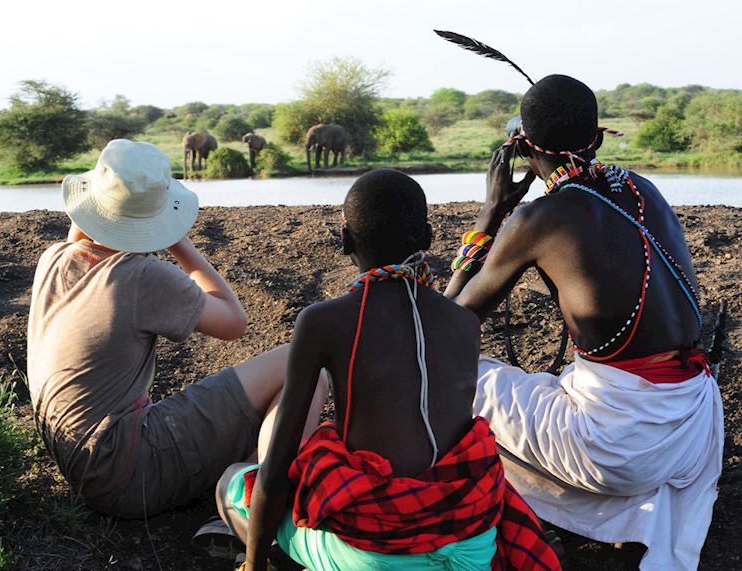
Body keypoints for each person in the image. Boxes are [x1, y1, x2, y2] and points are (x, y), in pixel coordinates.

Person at [215, 169, 562, 571]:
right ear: (429, 239)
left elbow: (277, 465)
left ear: (345, 240)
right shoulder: (463, 323)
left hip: (379, 556)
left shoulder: (323, 321)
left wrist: (252, 564)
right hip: (472, 548)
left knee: (234, 482)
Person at [444, 75, 724, 571]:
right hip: (696, 427)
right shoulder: (645, 189)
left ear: (522, 148)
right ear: (596, 139)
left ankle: (497, 512)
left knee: (453, 373)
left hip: (619, 448)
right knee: (565, 384)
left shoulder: (536, 220)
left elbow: (444, 326)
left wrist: (490, 216)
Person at [27, 139, 327, 518]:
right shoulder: (140, 276)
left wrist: (94, 212)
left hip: (83, 467)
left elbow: (80, 240)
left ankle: (248, 484)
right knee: (305, 364)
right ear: (157, 215)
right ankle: (254, 505)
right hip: (129, 476)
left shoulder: (53, 259)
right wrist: (178, 241)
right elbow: (235, 322)